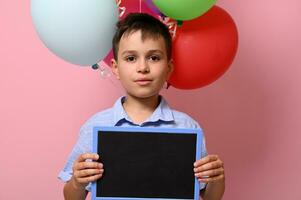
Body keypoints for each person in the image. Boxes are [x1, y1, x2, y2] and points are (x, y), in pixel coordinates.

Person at [59, 13, 225, 200]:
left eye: (154, 58)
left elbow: (209, 197)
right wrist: (77, 183)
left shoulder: (187, 127)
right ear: (115, 68)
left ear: (169, 68)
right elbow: (71, 197)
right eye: (131, 58)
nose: (142, 67)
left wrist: (217, 180)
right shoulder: (94, 127)